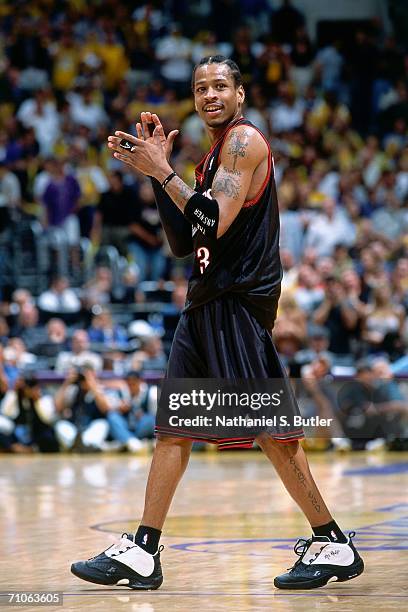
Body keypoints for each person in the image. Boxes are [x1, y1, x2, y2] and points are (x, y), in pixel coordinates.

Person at [71, 57, 364, 590]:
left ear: (240, 94)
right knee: (173, 429)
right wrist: (161, 177)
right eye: (200, 87)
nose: (210, 94)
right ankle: (143, 549)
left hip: (237, 303)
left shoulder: (242, 143)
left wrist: (163, 171)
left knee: (273, 432)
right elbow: (186, 241)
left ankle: (332, 540)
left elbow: (212, 220)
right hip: (204, 301)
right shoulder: (209, 159)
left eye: (220, 86)